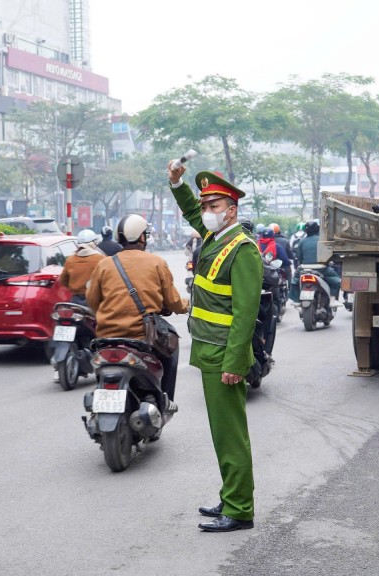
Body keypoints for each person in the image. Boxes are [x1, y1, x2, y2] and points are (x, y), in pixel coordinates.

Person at [167, 164, 261, 533]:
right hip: (209, 349)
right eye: (204, 203)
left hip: (225, 354)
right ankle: (231, 494)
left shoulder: (243, 249)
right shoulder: (215, 236)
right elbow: (192, 212)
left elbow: (245, 313)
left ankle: (239, 510)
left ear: (232, 209)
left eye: (214, 203)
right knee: (221, 433)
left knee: (230, 433)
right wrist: (177, 184)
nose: (206, 210)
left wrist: (236, 361)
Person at [86, 214, 188, 407]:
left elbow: (92, 300)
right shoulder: (157, 262)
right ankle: (164, 401)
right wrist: (186, 306)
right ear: (142, 237)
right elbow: (173, 301)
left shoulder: (104, 264)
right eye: (145, 234)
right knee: (171, 350)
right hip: (141, 337)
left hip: (106, 337)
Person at [290, 220, 341, 305]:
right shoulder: (322, 240)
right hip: (321, 269)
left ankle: (295, 300)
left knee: (294, 281)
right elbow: (328, 255)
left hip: (304, 269)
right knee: (336, 281)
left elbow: (299, 257)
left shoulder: (302, 241)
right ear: (317, 229)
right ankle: (332, 300)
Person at [58, 229, 106, 305]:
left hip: (75, 301)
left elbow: (63, 280)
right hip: (95, 300)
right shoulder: (101, 259)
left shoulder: (70, 260)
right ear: (94, 243)